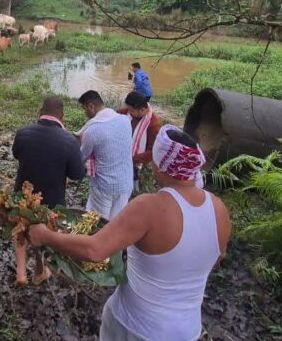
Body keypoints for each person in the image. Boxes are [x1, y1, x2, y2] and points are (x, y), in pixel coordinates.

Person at [28, 126, 231, 341]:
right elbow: (219, 256)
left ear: (159, 164)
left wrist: (46, 236)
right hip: (187, 330)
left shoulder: (150, 207)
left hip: (137, 327)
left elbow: (95, 249)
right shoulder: (218, 209)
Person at [11, 96, 86, 284]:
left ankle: (21, 273)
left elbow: (16, 154)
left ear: (40, 111)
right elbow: (77, 174)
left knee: (20, 227)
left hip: (23, 193)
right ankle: (39, 271)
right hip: (51, 200)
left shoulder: (23, 132)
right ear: (62, 116)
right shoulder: (69, 142)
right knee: (43, 235)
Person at [76, 90, 134, 220]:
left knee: (95, 222)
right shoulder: (125, 120)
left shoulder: (92, 131)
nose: (85, 113)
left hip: (104, 187)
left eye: (85, 109)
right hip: (125, 184)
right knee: (116, 223)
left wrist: (79, 143)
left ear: (91, 106)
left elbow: (81, 157)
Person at [117, 91, 163, 189]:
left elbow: (153, 151)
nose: (129, 112)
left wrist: (132, 159)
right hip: (124, 156)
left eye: (132, 111)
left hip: (139, 162)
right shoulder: (126, 113)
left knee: (136, 187)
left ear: (142, 110)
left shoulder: (153, 125)